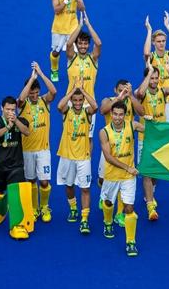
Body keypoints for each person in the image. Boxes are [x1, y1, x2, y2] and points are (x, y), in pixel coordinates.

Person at [135, 59, 169, 220]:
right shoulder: (140, 93)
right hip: (145, 138)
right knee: (147, 170)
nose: (154, 81)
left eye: (156, 78)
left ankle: (150, 192)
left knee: (156, 171)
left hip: (160, 138)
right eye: (151, 78)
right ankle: (150, 207)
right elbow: (140, 93)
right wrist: (148, 73)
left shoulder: (163, 91)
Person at [0, 96, 33, 240]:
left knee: (16, 194)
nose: (11, 111)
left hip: (15, 166)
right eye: (8, 109)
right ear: (1, 108)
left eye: (13, 109)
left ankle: (18, 225)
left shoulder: (21, 121)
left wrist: (15, 121)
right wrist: (8, 127)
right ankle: (0, 212)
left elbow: (27, 132)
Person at [99, 101, 145, 256]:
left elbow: (152, 131)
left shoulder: (132, 126)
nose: (118, 118)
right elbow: (108, 157)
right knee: (108, 202)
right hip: (112, 175)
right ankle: (107, 222)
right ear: (111, 114)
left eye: (121, 114)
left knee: (129, 208)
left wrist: (154, 124)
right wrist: (127, 167)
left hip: (128, 177)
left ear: (125, 115)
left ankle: (130, 242)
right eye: (115, 114)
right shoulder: (104, 132)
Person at [98, 80, 144, 227]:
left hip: (126, 146)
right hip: (109, 147)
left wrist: (130, 96)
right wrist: (119, 98)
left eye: (124, 90)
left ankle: (119, 214)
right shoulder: (109, 101)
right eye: (119, 90)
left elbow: (141, 113)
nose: (122, 92)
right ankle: (106, 202)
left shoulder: (130, 102)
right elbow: (102, 110)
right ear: (115, 90)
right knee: (101, 181)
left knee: (125, 194)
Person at [56, 78, 98, 234]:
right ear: (72, 100)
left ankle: (85, 219)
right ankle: (73, 208)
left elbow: (95, 106)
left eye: (81, 100)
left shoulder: (87, 112)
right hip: (67, 156)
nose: (78, 102)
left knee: (85, 188)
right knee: (69, 185)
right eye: (75, 100)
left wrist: (83, 91)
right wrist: (73, 90)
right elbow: (60, 106)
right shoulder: (67, 111)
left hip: (83, 157)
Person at [17, 62, 57, 223]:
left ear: (39, 92)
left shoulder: (44, 102)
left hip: (43, 150)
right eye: (31, 93)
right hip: (26, 150)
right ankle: (33, 208)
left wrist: (39, 73)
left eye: (35, 93)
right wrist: (31, 80)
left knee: (45, 181)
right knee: (31, 180)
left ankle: (44, 207)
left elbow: (53, 91)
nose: (33, 96)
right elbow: (20, 98)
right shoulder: (22, 105)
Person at [66, 11, 102, 153]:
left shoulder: (93, 59)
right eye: (80, 43)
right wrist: (80, 26)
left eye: (85, 43)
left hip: (88, 103)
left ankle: (86, 162)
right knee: (70, 136)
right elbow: (69, 43)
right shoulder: (71, 58)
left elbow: (98, 43)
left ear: (88, 45)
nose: (82, 46)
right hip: (71, 103)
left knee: (88, 137)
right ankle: (71, 163)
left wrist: (88, 24)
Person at [143, 11, 169, 122]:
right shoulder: (151, 57)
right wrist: (149, 31)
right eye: (158, 41)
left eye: (163, 41)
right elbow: (146, 53)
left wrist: (168, 26)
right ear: (153, 43)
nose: (161, 43)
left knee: (167, 130)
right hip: (153, 98)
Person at [50, 0, 85, 82]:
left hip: (73, 27)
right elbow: (56, 10)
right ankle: (54, 69)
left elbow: (82, 8)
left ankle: (75, 77)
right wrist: (66, 0)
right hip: (59, 28)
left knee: (75, 53)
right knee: (56, 53)